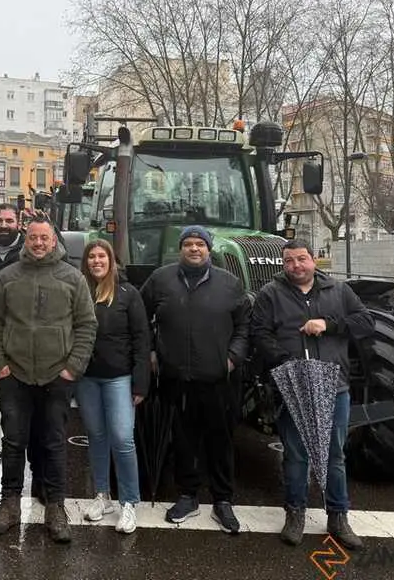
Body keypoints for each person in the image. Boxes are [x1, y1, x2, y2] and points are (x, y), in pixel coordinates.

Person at [250, 239, 374, 551]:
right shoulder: (270, 295)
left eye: (301, 259)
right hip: (294, 385)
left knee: (334, 454)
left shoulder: (339, 290)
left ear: (313, 260)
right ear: (283, 264)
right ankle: (295, 513)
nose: (296, 266)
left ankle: (338, 516)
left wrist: (329, 324)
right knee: (296, 454)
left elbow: (365, 322)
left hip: (335, 386)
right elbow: (260, 335)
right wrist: (285, 363)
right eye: (289, 261)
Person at [0, 216, 97, 544]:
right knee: (13, 441)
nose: (38, 243)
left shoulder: (72, 278)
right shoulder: (7, 277)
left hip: (56, 375)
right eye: (32, 237)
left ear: (53, 241)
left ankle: (56, 506)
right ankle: (9, 503)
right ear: (25, 239)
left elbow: (86, 325)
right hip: (14, 375)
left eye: (43, 238)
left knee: (54, 442)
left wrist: (72, 368)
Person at [140, 226, 250, 535]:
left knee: (221, 439)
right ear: (180, 249)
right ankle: (187, 496)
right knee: (184, 439)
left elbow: (244, 326)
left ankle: (223, 500)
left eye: (200, 244)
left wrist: (231, 359)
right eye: (188, 244)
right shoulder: (160, 280)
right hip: (176, 379)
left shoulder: (230, 284)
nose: (194, 249)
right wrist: (150, 351)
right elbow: (139, 316)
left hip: (218, 379)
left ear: (209, 249)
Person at [0, 202, 47, 504]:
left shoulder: (29, 252)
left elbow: (58, 255)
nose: (4, 225)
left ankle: (39, 480)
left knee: (28, 423)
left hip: (19, 351)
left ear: (20, 225)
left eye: (10, 220)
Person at [76, 239, 150, 534]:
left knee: (122, 438)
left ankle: (129, 502)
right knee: (96, 436)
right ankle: (102, 494)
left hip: (119, 376)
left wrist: (140, 382)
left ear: (111, 261)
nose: (96, 261)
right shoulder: (79, 292)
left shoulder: (128, 294)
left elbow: (142, 340)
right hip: (86, 377)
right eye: (91, 256)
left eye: (101, 256)